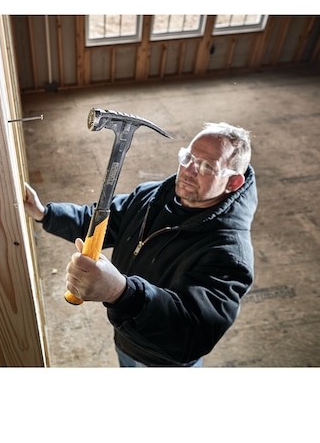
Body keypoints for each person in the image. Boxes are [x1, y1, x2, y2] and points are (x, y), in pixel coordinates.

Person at [24, 121, 257, 367]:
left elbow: (192, 334)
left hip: (163, 361)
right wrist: (44, 213)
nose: (189, 170)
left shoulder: (230, 255)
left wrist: (121, 293)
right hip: (127, 335)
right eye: (188, 157)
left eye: (207, 166)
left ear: (233, 183)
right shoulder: (151, 196)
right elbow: (101, 221)